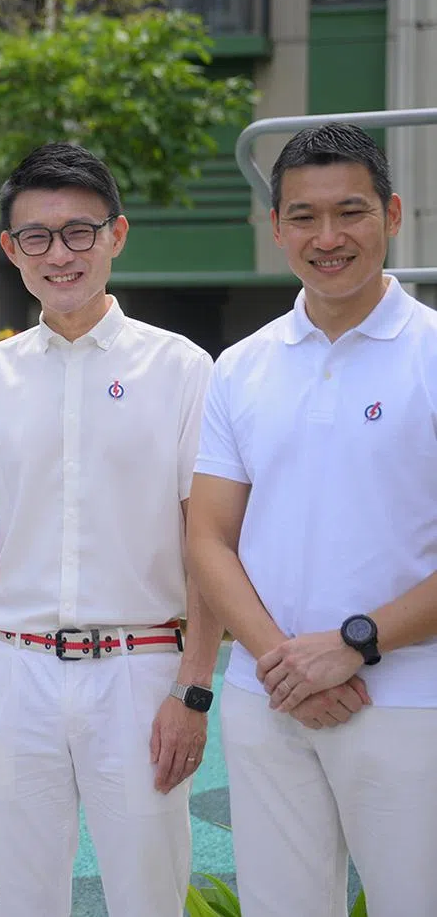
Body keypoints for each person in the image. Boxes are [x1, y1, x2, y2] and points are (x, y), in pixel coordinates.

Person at [0, 142, 223, 917]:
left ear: (117, 236)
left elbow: (209, 544)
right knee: (23, 900)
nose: (58, 254)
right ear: (10, 250)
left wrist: (193, 689)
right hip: (14, 674)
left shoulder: (184, 369)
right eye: (37, 236)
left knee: (148, 897)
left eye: (79, 232)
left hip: (142, 670)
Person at [188, 123, 437, 916]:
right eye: (304, 216)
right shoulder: (242, 366)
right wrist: (284, 666)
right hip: (268, 702)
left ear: (394, 215)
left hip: (409, 702)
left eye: (351, 212)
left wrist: (355, 645)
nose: (327, 238)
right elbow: (208, 537)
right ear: (277, 228)